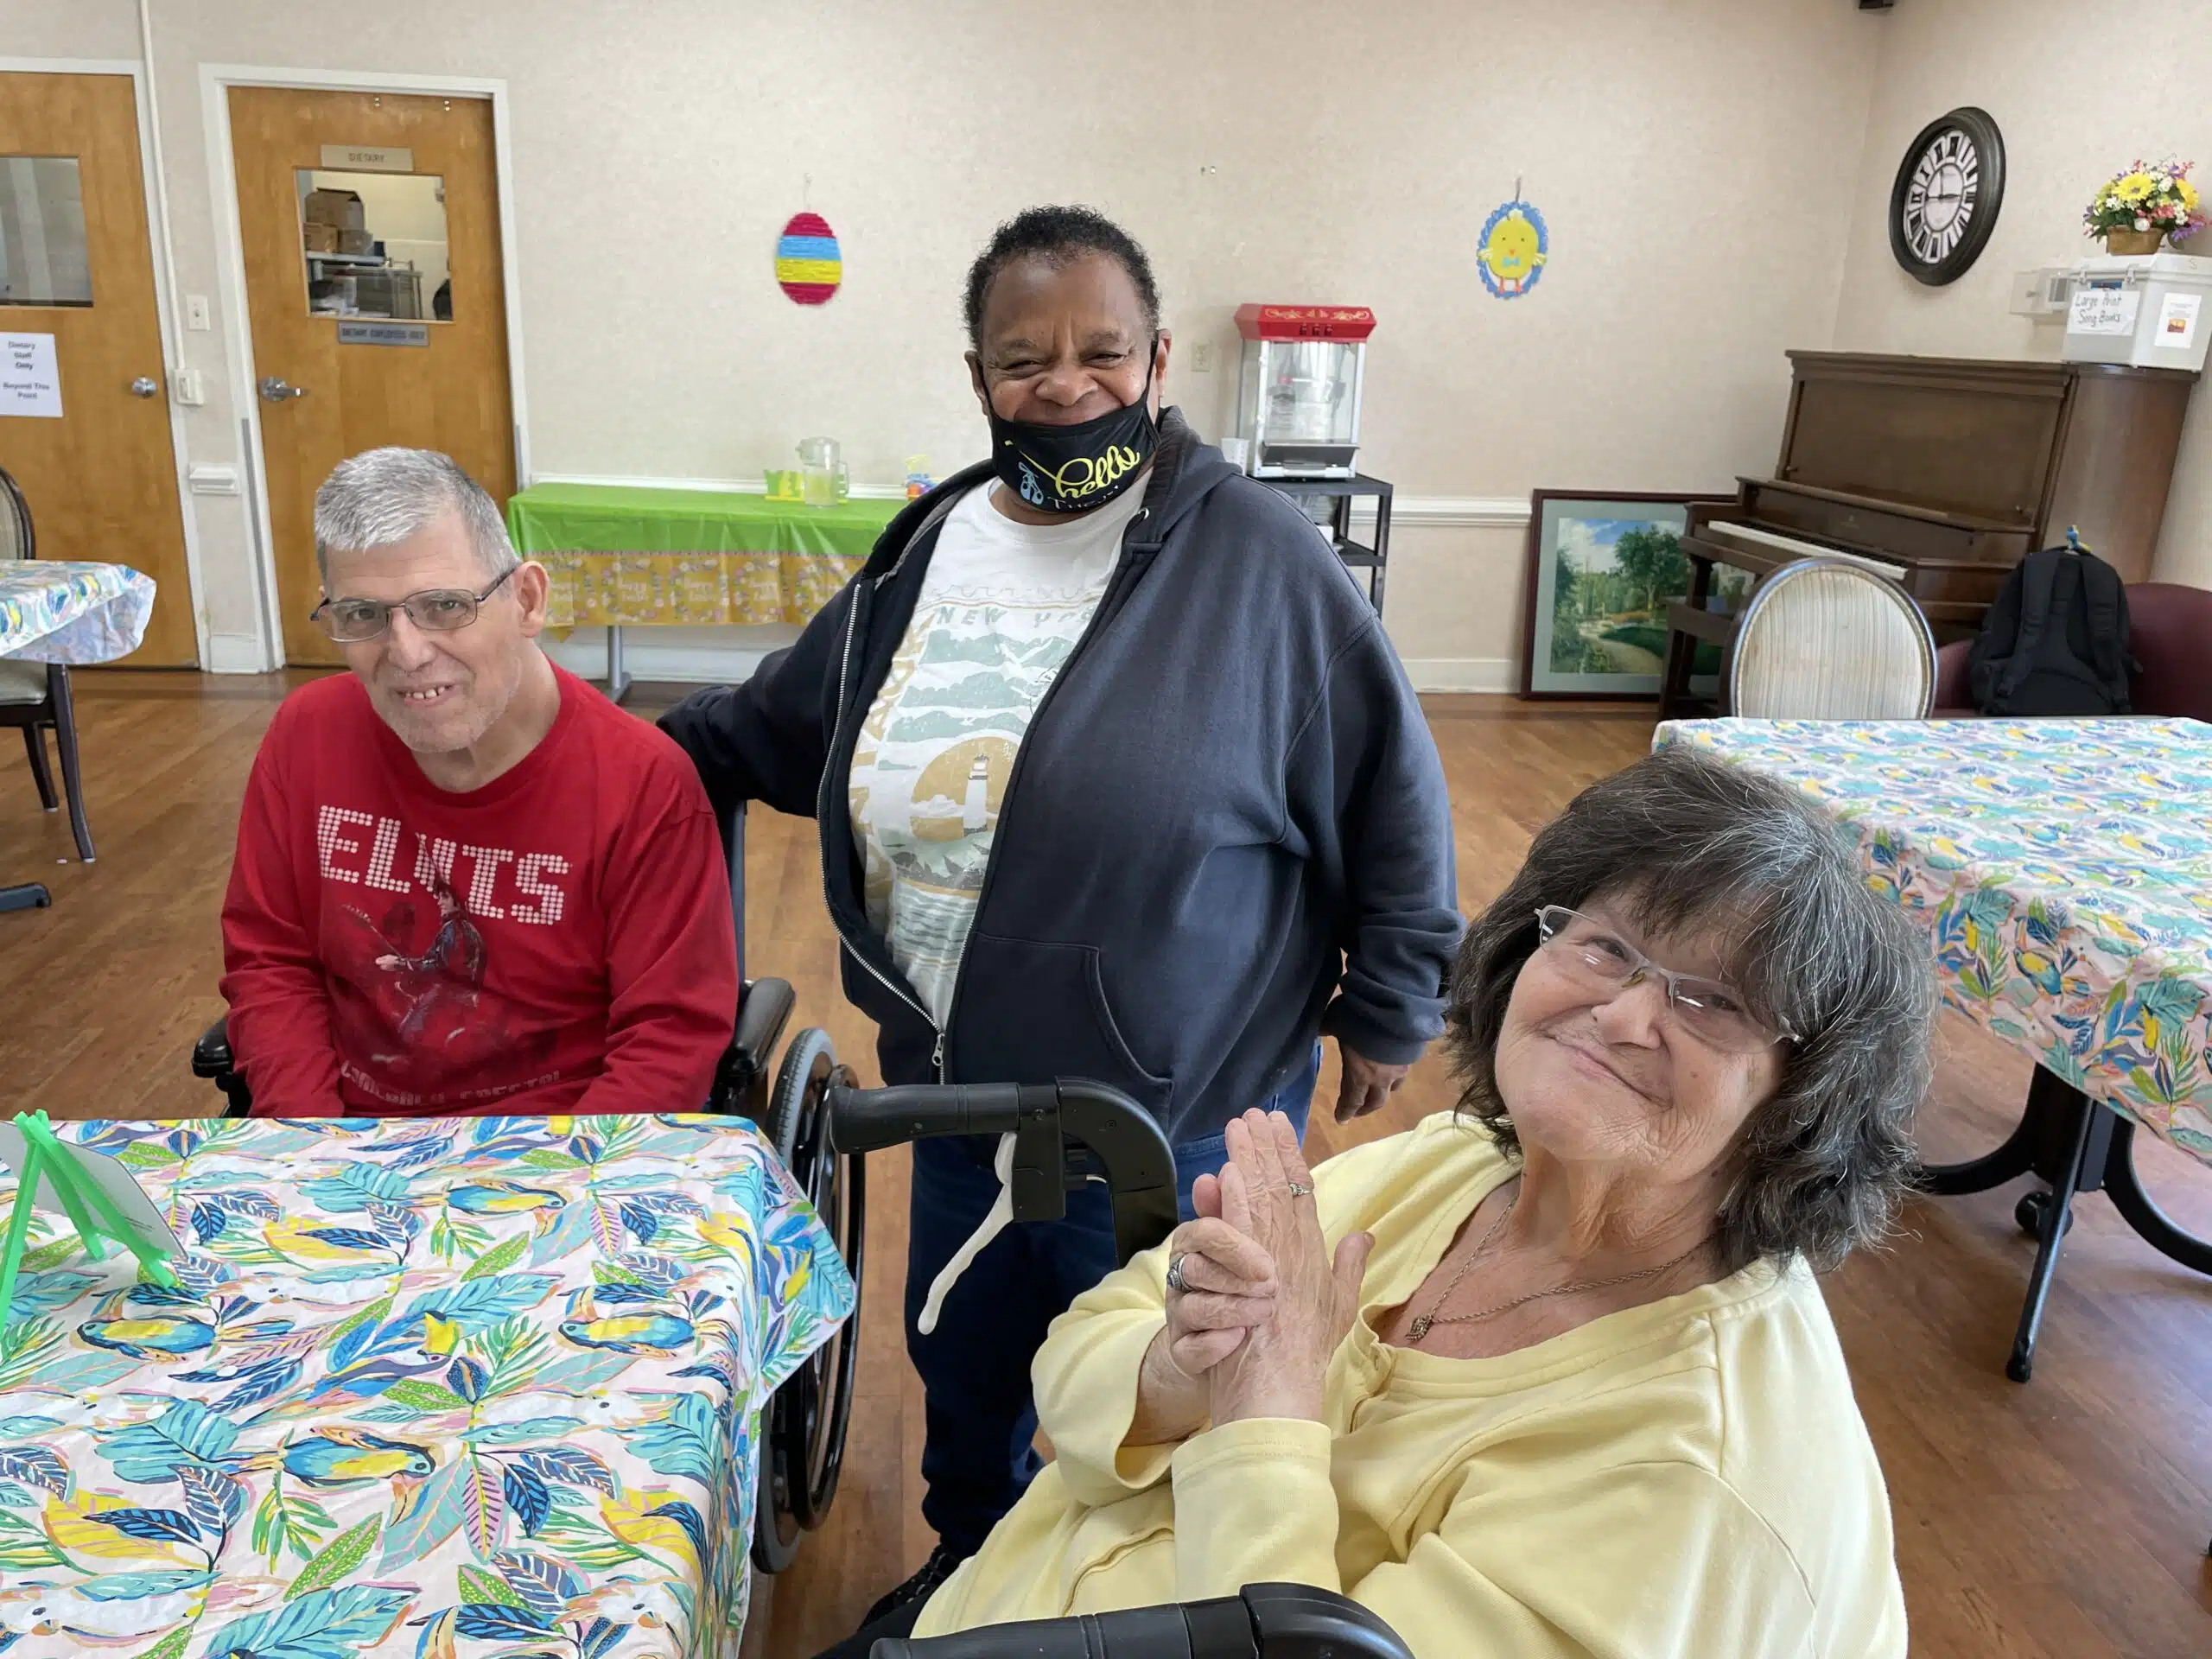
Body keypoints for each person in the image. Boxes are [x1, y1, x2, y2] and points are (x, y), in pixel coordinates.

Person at [660, 205, 1459, 1617]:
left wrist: (1392, 999)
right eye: (1025, 358)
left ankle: (1125, 1621)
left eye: (1102, 351)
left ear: (1157, 360)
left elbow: (1389, 787)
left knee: (1162, 1409)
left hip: (1178, 1104)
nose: (1067, 384)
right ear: (978, 375)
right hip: (960, 1105)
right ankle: (974, 1582)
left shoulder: (1260, 560)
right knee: (965, 1373)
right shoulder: (925, 559)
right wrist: (574, 751)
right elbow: (774, 727)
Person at [825, 747, 1932, 1659]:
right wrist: (1173, 1374)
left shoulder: (1693, 1476)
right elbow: (1082, 1354)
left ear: (1805, 1100)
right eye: (1606, 947)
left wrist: (1264, 1405)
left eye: (1714, 1002)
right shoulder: (1450, 1165)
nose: (1629, 1014)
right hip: (993, 1610)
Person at [220, 447, 736, 1117]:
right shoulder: (306, 735)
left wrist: (548, 1189)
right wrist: (310, 1146)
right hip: (342, 1140)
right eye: (362, 616)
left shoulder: (642, 784)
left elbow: (668, 1040)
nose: (406, 652)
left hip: (558, 1154)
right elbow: (271, 961)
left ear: (526, 600)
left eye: (443, 606)